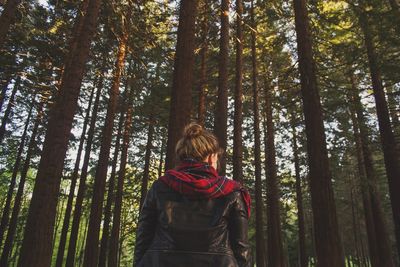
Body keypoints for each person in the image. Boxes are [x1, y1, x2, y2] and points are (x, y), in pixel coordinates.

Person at [134, 123, 251, 267]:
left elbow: (143, 238)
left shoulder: (161, 186)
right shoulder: (232, 191)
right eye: (216, 156)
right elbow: (241, 248)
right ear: (210, 157)